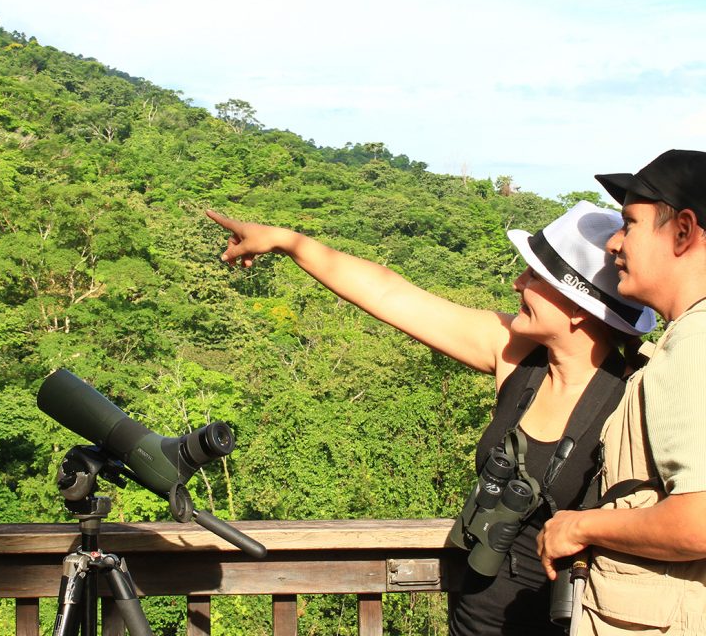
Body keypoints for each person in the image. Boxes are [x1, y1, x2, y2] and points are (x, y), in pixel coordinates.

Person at [207, 201, 655, 636]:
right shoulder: (518, 358)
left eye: (534, 276)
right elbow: (388, 292)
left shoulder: (634, 398)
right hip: (469, 618)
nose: (518, 283)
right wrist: (290, 243)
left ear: (577, 307)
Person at [537, 150, 706, 636]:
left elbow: (697, 518)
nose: (613, 243)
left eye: (630, 224)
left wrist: (580, 526)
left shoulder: (694, 344)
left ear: (683, 232)